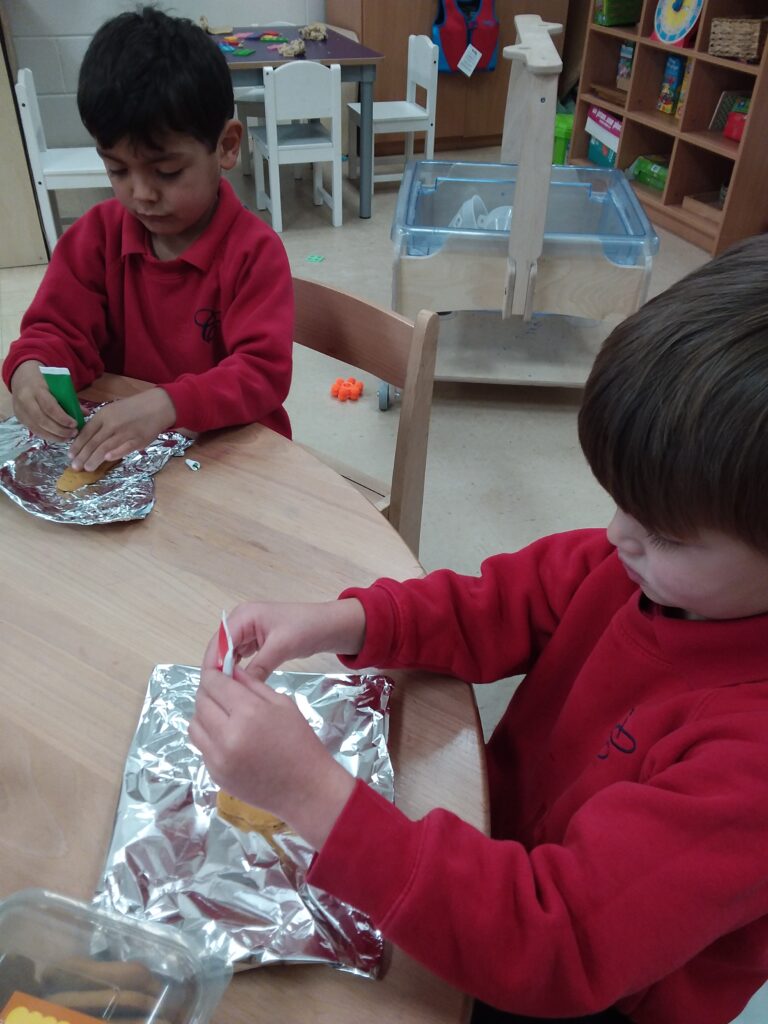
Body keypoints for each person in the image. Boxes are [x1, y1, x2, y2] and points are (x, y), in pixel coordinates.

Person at [189, 233, 768, 1024]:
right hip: (493, 844)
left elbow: (554, 944)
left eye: (666, 533)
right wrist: (344, 618)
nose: (617, 533)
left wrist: (310, 793)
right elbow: (501, 601)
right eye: (620, 499)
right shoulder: (637, 563)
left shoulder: (750, 767)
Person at [2, 7, 293, 473]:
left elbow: (262, 372)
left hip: (235, 456)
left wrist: (167, 404)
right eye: (117, 169)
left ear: (226, 146)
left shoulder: (253, 253)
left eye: (166, 171)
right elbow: (57, 332)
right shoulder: (94, 238)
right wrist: (29, 371)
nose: (140, 194)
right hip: (131, 459)